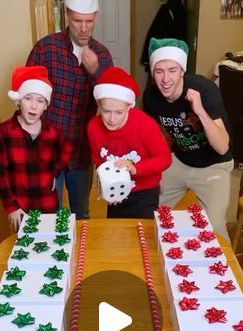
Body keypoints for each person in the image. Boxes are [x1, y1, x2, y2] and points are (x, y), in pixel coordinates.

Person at [26, 0, 113, 219]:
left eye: (89, 22)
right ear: (67, 15)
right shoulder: (45, 49)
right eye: (77, 21)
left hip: (81, 151)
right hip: (47, 149)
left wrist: (96, 71)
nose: (84, 28)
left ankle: (80, 254)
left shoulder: (102, 55)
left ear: (95, 19)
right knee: (48, 213)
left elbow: (112, 106)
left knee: (81, 212)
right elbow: (26, 96)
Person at [143, 38, 234, 239]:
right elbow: (156, 137)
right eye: (159, 71)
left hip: (214, 165)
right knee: (148, 209)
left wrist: (200, 111)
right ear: (152, 73)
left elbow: (222, 147)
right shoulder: (150, 97)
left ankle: (227, 269)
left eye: (172, 70)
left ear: (182, 70)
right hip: (181, 161)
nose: (165, 79)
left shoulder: (205, 90)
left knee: (215, 228)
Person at [0, 65, 71, 232]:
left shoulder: (53, 132)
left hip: (48, 204)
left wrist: (55, 171)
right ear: (19, 100)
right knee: (24, 249)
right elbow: (0, 174)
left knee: (49, 244)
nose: (34, 106)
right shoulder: (3, 132)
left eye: (40, 100)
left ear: (45, 105)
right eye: (28, 98)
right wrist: (11, 206)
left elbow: (66, 150)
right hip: (20, 208)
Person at [87, 66, 172, 219]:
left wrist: (135, 168)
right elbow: (98, 160)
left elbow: (165, 159)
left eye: (119, 112)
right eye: (106, 111)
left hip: (145, 191)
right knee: (117, 235)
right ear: (99, 105)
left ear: (129, 106)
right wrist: (104, 187)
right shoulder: (93, 127)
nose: (112, 119)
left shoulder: (145, 124)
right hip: (115, 194)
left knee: (143, 237)